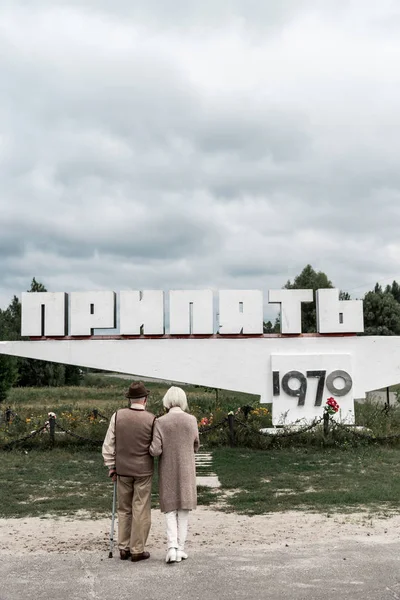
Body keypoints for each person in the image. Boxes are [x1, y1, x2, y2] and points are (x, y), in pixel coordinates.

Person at [102, 381, 155, 562]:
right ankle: (137, 549)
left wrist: (111, 466)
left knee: (123, 508)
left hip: (123, 469)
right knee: (140, 508)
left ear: (129, 399)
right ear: (145, 399)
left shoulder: (117, 416)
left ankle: (123, 547)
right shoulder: (151, 419)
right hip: (143, 471)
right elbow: (155, 447)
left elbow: (108, 444)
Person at [150, 386, 200, 563]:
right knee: (184, 510)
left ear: (167, 401)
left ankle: (171, 547)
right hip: (187, 470)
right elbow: (196, 444)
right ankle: (181, 548)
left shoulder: (160, 422)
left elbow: (155, 450)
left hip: (168, 469)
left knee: (170, 510)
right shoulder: (191, 420)